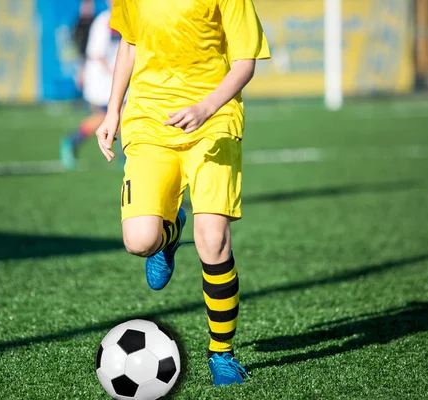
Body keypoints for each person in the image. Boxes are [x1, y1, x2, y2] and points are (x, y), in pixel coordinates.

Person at [96, 0, 270, 386]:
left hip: (213, 120)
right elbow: (129, 42)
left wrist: (207, 107)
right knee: (140, 240)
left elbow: (245, 62)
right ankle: (169, 234)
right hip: (149, 120)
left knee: (213, 241)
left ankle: (221, 353)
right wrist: (112, 111)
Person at [60, 1, 123, 170]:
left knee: (121, 117)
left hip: (114, 81)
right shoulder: (104, 21)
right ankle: (72, 141)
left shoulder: (125, 19)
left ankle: (124, 157)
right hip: (102, 82)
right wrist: (119, 73)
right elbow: (98, 54)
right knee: (108, 118)